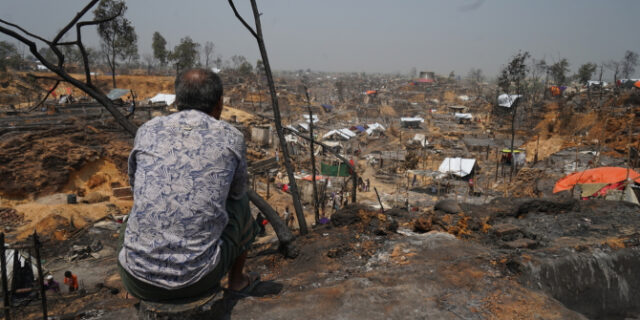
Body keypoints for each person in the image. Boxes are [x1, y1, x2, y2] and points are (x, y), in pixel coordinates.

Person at [118, 69, 260, 302]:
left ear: (177, 101)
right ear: (219, 103)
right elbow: (236, 192)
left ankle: (138, 286)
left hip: (136, 279)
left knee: (134, 214)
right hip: (197, 280)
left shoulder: (147, 131)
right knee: (242, 202)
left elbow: (135, 188)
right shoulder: (231, 137)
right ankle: (237, 281)